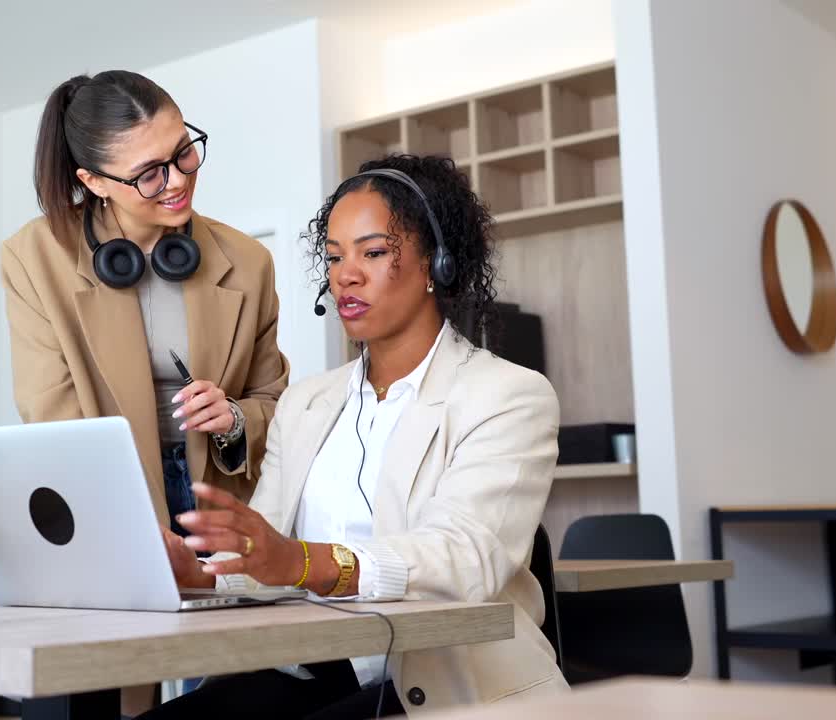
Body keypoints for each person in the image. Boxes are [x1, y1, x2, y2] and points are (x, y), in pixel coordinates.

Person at [146, 154, 567, 719]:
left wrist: (302, 561)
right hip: (311, 669)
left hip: (443, 684)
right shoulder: (307, 402)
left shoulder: (508, 396)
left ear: (435, 265)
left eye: (373, 253)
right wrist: (203, 573)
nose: (345, 274)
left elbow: (463, 561)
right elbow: (264, 554)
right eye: (335, 257)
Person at [0, 70, 290, 715]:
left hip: (212, 492)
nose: (180, 179)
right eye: (150, 172)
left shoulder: (247, 261)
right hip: (106, 494)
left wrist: (235, 418)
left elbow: (276, 399)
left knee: (217, 696)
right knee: (103, 687)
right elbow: (50, 410)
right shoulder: (33, 257)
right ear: (92, 182)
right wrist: (129, 521)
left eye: (185, 150)